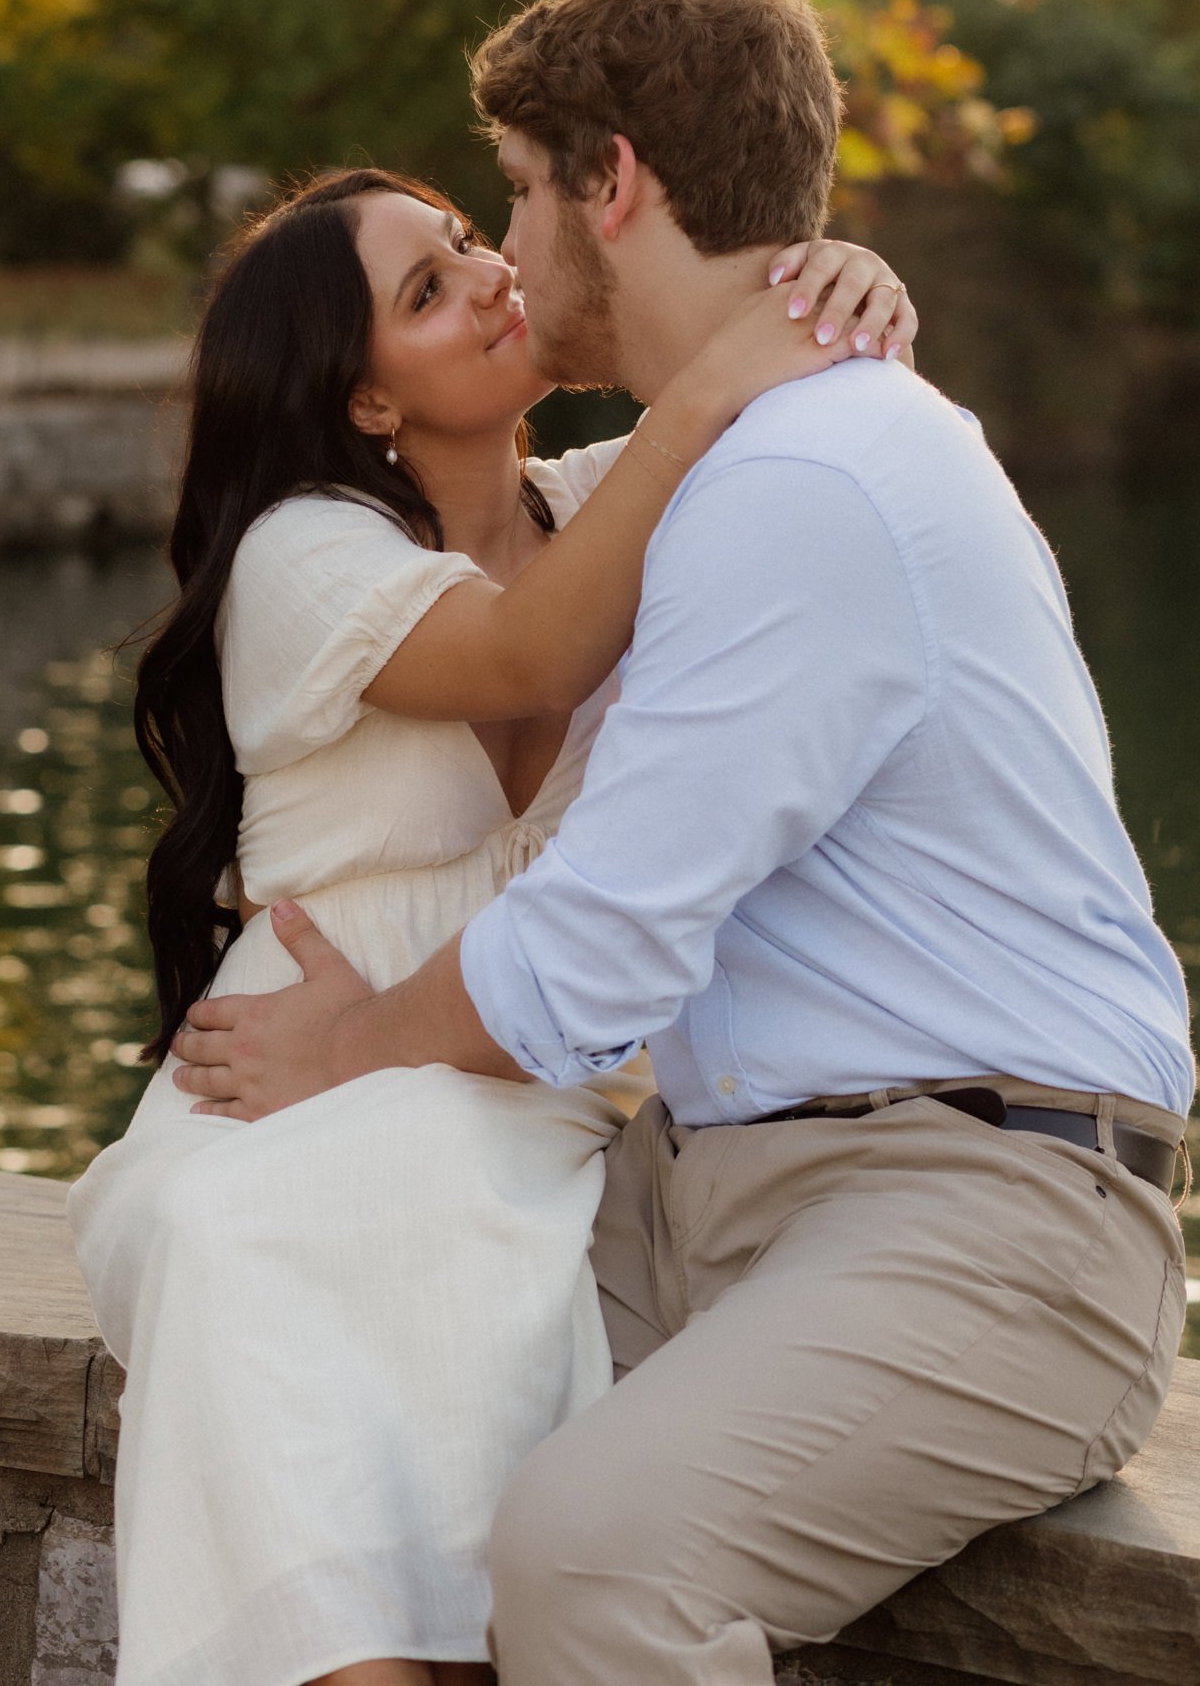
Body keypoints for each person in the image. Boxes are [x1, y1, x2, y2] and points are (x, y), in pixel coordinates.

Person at [174, 0, 1197, 1686]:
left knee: (585, 1560)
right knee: (359, 1354)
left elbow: (587, 962)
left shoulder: (798, 482)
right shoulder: (693, 472)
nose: (506, 254)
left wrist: (344, 1041)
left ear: (615, 183)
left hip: (989, 1198)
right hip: (719, 1177)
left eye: (511, 195)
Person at [67, 135, 916, 1686]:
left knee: (446, 1270)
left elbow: (836, 435)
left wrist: (852, 288)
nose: (492, 278)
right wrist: (703, 395)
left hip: (533, 1061)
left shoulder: (614, 496)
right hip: (303, 1052)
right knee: (225, 1230)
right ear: (368, 398)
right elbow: (523, 655)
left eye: (470, 240)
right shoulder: (303, 557)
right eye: (429, 286)